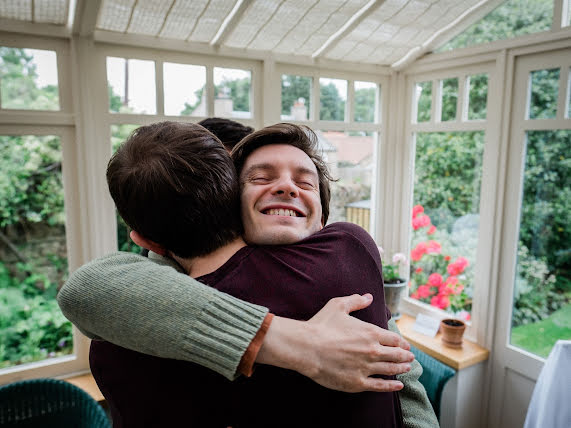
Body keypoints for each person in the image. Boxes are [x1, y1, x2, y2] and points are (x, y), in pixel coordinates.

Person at [58, 123, 437, 426]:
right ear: (228, 206)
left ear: (324, 218)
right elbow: (85, 289)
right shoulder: (144, 306)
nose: (286, 187)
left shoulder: (347, 257)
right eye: (258, 179)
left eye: (305, 182)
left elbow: (404, 375)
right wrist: (296, 341)